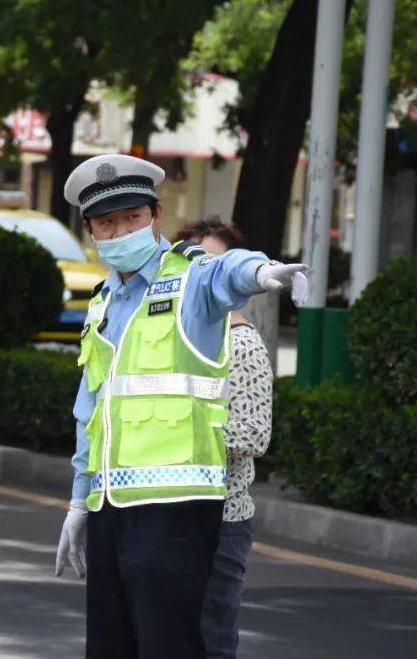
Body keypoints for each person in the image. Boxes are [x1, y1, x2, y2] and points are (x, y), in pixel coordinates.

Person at [52, 154, 306, 659]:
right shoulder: (103, 303)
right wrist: (80, 501)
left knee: (169, 647)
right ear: (91, 232)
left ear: (155, 217)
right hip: (110, 509)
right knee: (109, 648)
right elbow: (92, 411)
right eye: (107, 222)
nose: (120, 230)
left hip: (175, 509)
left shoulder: (190, 280)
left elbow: (226, 271)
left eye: (132, 218)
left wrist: (262, 271)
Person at [174, 218, 274, 659]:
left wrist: (177, 431)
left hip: (222, 519)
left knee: (211, 637)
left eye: (215, 265)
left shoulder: (243, 343)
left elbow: (252, 434)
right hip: (172, 513)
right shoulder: (179, 339)